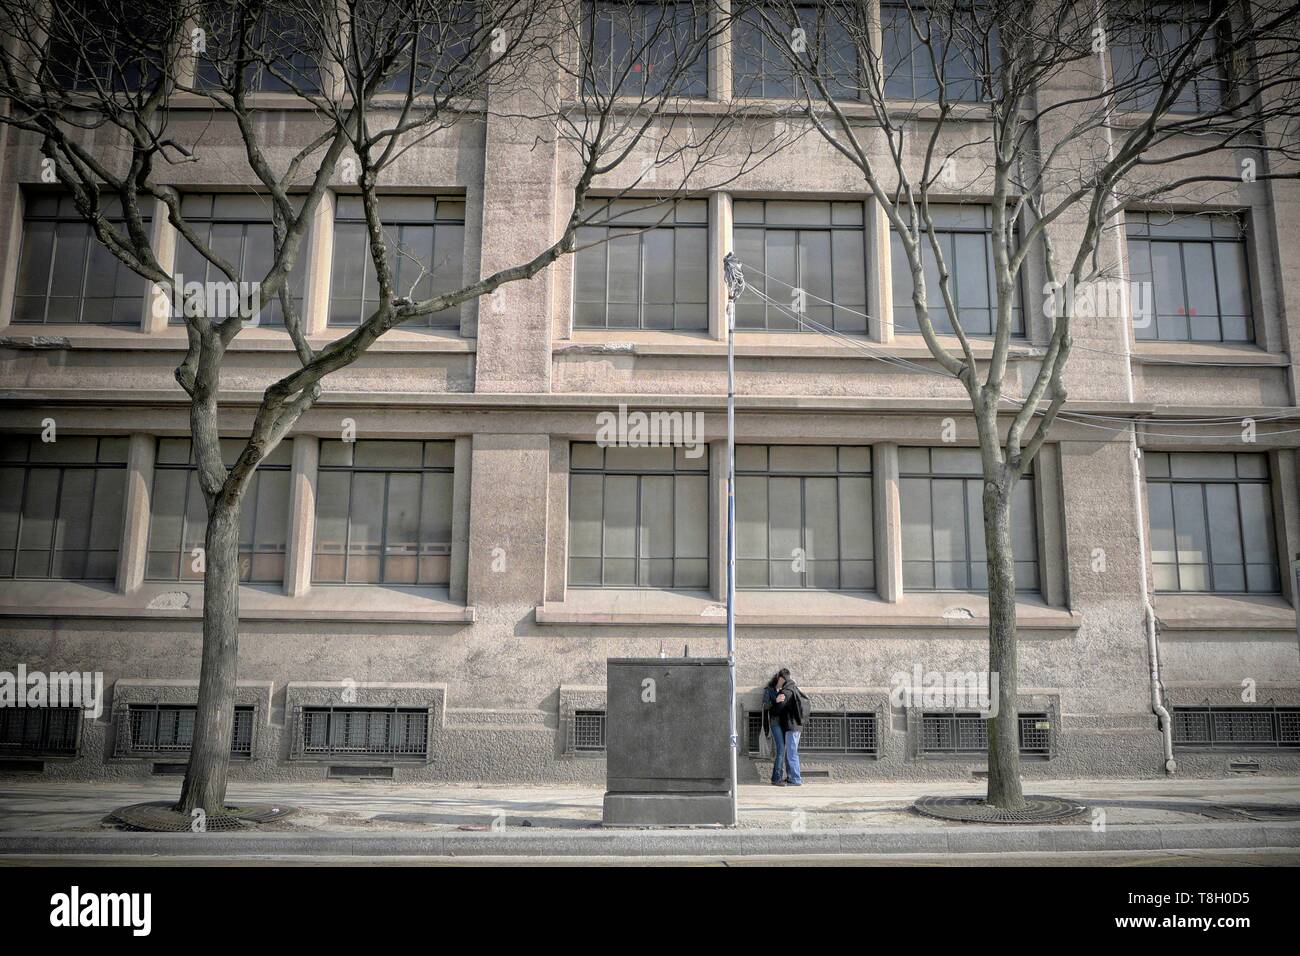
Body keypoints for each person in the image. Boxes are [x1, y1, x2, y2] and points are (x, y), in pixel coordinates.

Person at [762, 667, 804, 786]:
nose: (783, 681)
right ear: (778, 678)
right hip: (775, 723)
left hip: (786, 724)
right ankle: (776, 778)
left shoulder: (786, 689)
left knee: (787, 750)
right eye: (782, 679)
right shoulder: (769, 690)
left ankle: (789, 777)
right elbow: (765, 706)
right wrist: (775, 700)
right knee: (781, 748)